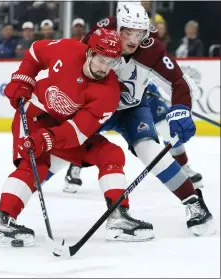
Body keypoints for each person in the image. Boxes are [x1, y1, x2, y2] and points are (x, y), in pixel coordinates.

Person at [57, 3, 215, 236]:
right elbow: (74, 67)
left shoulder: (151, 48)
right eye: (128, 32)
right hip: (96, 106)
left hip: (132, 109)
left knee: (150, 151)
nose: (133, 40)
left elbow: (179, 82)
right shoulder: (99, 36)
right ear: (118, 27)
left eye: (139, 33)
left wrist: (181, 110)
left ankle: (193, 202)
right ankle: (9, 211)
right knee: (62, 145)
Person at [0, 28, 154, 247]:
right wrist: (23, 79)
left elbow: (77, 132)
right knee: (36, 164)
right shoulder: (67, 49)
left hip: (63, 131)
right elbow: (36, 52)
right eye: (101, 60)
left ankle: (118, 217)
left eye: (111, 62)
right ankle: (2, 219)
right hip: (33, 116)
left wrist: (47, 139)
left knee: (110, 153)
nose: (105, 68)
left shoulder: (109, 92)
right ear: (89, 53)